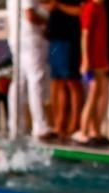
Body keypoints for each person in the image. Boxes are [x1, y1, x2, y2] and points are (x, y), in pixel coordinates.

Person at [7, 0, 54, 139]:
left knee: (18, 83)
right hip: (31, 40)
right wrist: (46, 21)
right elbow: (30, 15)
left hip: (18, 39)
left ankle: (16, 126)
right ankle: (40, 126)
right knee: (36, 82)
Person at [75, 0, 109, 144]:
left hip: (100, 61)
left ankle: (95, 131)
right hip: (90, 62)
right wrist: (85, 60)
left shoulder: (101, 8)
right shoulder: (90, 8)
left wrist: (104, 60)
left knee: (97, 94)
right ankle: (83, 131)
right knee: (93, 93)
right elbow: (85, 35)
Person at [47, 0, 84, 140]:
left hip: (69, 40)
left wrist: (60, 6)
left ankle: (74, 125)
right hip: (55, 39)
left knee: (72, 82)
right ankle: (59, 124)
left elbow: (81, 11)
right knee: (57, 82)